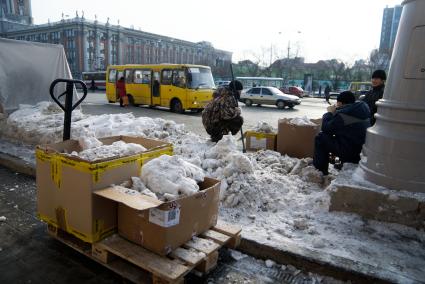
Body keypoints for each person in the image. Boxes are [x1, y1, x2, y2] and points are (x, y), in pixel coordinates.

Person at [313, 91, 371, 175]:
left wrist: (329, 113)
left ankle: (320, 171)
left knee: (321, 138)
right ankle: (337, 163)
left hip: (349, 152)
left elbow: (325, 128)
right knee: (333, 139)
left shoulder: (343, 115)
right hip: (359, 152)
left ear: (339, 102)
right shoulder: (361, 110)